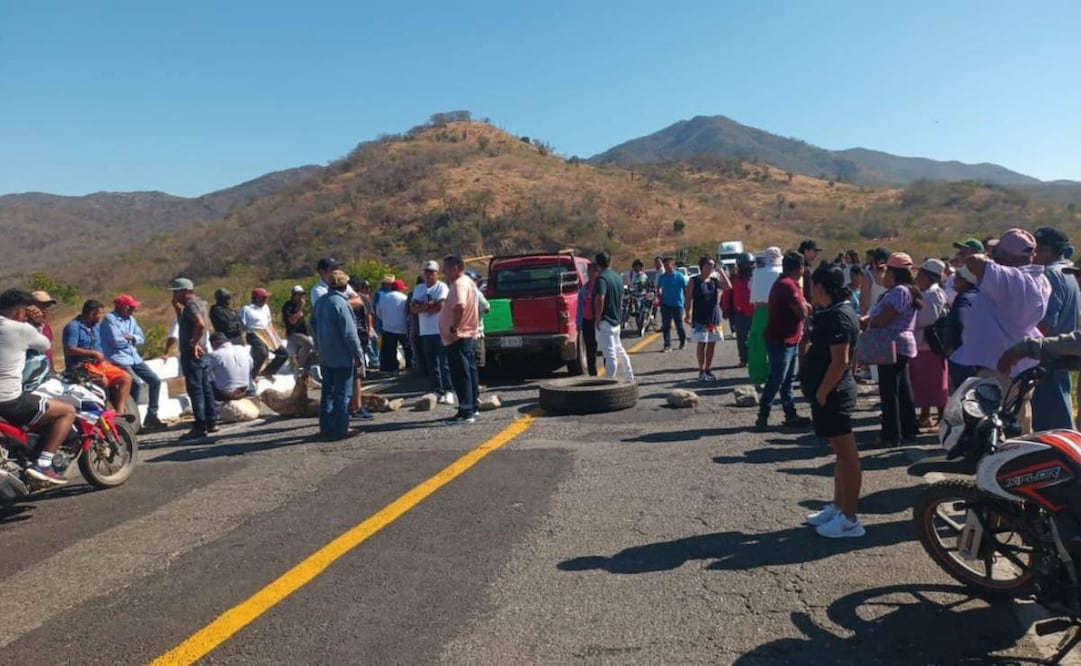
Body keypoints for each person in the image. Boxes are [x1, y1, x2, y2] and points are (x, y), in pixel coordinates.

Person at [954, 229, 1051, 434]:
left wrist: (989, 257)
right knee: (1020, 417)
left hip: (1002, 368)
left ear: (1006, 257)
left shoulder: (1011, 278)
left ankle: (1007, 464)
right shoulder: (1038, 280)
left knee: (1000, 427)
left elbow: (974, 262)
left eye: (997, 251)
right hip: (1017, 363)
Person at [802, 264, 864, 538]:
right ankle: (838, 506)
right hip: (826, 393)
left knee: (848, 457)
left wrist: (822, 392)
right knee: (839, 455)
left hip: (834, 394)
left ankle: (850, 519)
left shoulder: (840, 315)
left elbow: (841, 361)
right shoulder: (827, 312)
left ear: (819, 287)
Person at [0, 289, 76, 485]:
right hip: (9, 400)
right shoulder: (21, 329)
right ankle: (43, 464)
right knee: (67, 411)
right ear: (19, 312)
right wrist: (36, 324)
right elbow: (44, 345)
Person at [863, 253, 921, 446]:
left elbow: (885, 317)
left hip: (891, 345)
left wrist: (867, 322)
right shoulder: (907, 290)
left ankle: (890, 434)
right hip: (899, 344)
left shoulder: (899, 292)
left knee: (890, 391)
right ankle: (908, 428)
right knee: (902, 389)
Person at [1030, 227, 1080, 430]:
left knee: (1052, 424)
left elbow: (1046, 323)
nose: (1033, 255)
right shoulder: (1067, 272)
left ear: (1048, 251)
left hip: (1048, 356)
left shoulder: (1050, 274)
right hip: (1062, 354)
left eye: (1037, 249)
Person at [756, 252, 812, 431]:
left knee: (787, 379)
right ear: (799, 268)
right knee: (777, 378)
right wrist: (805, 306)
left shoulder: (789, 284)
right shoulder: (788, 286)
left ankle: (790, 413)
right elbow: (802, 311)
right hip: (781, 339)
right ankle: (763, 415)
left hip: (789, 338)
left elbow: (804, 308)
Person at [311, 269, 365, 439]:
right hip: (341, 356)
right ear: (344, 285)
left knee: (328, 393)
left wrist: (319, 346)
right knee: (343, 393)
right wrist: (358, 355)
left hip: (326, 355)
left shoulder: (320, 302)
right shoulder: (341, 304)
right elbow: (350, 334)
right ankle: (341, 428)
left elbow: (312, 326)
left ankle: (326, 426)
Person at [100, 294, 167, 430]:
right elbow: (116, 341)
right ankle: (132, 419)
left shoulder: (131, 319)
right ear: (121, 307)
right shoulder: (110, 320)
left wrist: (132, 338)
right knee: (134, 383)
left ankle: (152, 415)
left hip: (134, 357)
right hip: (118, 358)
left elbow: (141, 338)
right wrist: (131, 339)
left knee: (155, 381)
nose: (132, 309)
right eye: (129, 307)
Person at [62, 299, 134, 413]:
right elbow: (69, 349)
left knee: (126, 378)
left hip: (98, 364)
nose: (101, 317)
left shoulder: (95, 327)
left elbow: (100, 346)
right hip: (81, 366)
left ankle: (120, 412)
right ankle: (103, 412)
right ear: (91, 314)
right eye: (99, 314)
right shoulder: (73, 327)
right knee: (103, 382)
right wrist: (92, 353)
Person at [170, 278, 217, 442]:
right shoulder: (199, 303)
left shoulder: (190, 305)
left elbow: (200, 324)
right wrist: (177, 310)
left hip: (193, 353)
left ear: (183, 292)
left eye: (175, 292)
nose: (174, 295)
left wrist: (193, 343)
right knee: (206, 387)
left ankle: (200, 426)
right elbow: (189, 324)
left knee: (195, 389)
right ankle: (211, 422)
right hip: (202, 351)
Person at [440, 255, 481, 425]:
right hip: (466, 335)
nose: (444, 272)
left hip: (459, 336)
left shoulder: (459, 284)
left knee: (461, 374)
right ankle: (472, 405)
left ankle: (466, 411)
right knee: (469, 372)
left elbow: (460, 306)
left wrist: (454, 328)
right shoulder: (468, 282)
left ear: (456, 268)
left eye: (446, 268)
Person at [911, 259, 949, 430]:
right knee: (925, 383)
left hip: (929, 345)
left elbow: (927, 319)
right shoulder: (927, 292)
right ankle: (925, 415)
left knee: (936, 384)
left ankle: (943, 417)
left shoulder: (933, 294)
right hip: (922, 345)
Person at [412, 261, 454, 405]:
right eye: (427, 272)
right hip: (425, 331)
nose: (429, 275)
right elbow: (413, 308)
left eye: (432, 272)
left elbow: (441, 306)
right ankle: (436, 390)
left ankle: (448, 390)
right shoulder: (419, 288)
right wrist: (429, 306)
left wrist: (424, 307)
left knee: (444, 362)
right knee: (431, 363)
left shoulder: (441, 287)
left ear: (437, 273)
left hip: (439, 329)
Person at [685, 256, 730, 381]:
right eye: (708, 265)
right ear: (702, 266)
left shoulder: (714, 281)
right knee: (702, 343)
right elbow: (688, 299)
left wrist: (721, 272)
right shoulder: (694, 281)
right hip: (700, 317)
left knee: (712, 343)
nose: (710, 267)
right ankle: (701, 369)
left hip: (713, 317)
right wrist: (687, 314)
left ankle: (708, 368)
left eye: (712, 265)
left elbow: (728, 287)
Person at [593, 252, 635, 382]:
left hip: (606, 320)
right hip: (616, 319)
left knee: (609, 354)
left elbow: (601, 298)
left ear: (597, 265)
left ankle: (610, 381)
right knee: (619, 350)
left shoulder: (602, 279)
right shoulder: (617, 277)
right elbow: (621, 297)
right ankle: (629, 375)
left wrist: (598, 318)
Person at [748, 247, 783, 386]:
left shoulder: (757, 272)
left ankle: (758, 377)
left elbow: (752, 292)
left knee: (757, 346)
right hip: (778, 312)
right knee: (778, 346)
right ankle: (777, 376)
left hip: (760, 311)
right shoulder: (781, 273)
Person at [240, 288, 288, 381]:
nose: (266, 300)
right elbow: (242, 324)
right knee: (262, 353)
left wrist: (274, 336)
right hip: (254, 333)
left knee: (283, 354)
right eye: (264, 298)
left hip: (267, 332)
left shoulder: (265, 307)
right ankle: (252, 376)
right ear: (257, 298)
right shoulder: (247, 309)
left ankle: (268, 371)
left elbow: (269, 321)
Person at [944, 265, 979, 390]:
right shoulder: (979, 295)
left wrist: (955, 345)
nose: (954, 280)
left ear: (966, 281)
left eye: (958, 278)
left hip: (961, 354)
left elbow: (960, 321)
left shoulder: (963, 299)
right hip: (977, 352)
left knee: (964, 393)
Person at [346, 278, 375, 421]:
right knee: (356, 373)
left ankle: (355, 404)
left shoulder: (361, 299)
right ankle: (355, 406)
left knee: (357, 372)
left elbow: (368, 315)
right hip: (357, 336)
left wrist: (369, 331)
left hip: (360, 336)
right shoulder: (350, 299)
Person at [725, 253, 755, 368]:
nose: (750, 267)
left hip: (755, 311)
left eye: (751, 264)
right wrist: (726, 308)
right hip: (740, 313)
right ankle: (744, 359)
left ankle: (756, 358)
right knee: (741, 339)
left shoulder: (757, 277)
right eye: (747, 265)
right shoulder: (734, 278)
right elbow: (728, 293)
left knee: (756, 337)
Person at [206, 332, 253, 402]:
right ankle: (252, 393)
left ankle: (211, 408)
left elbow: (205, 371)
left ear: (214, 344)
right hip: (244, 391)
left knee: (204, 381)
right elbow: (251, 366)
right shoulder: (242, 349)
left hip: (227, 394)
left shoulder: (214, 355)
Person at [656, 256, 689, 352]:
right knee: (666, 325)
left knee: (679, 325)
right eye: (665, 265)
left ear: (672, 265)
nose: (666, 267)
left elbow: (685, 288)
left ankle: (683, 341)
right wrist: (660, 294)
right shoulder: (662, 277)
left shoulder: (679, 276)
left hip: (677, 304)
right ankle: (667, 345)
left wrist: (686, 302)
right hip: (665, 304)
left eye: (668, 265)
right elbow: (658, 287)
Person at [377, 279, 410, 373]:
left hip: (387, 327)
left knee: (389, 351)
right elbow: (407, 312)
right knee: (407, 348)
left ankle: (390, 368)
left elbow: (378, 312)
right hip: (402, 327)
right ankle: (409, 366)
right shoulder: (404, 298)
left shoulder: (383, 297)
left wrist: (385, 320)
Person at [282, 286, 314, 377]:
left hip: (303, 333)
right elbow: (292, 321)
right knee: (308, 343)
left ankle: (307, 375)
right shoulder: (288, 306)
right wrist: (300, 308)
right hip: (293, 334)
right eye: (298, 295)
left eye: (302, 295)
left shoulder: (301, 305)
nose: (301, 297)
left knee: (308, 355)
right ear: (293, 295)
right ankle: (298, 364)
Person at [576, 263, 600, 376]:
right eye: (589, 272)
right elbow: (580, 306)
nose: (591, 274)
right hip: (587, 321)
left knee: (603, 348)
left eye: (593, 271)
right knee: (590, 348)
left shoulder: (600, 286)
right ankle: (593, 374)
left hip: (598, 321)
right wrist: (579, 322)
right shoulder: (584, 288)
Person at [26, 291, 57, 370]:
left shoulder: (45, 325)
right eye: (42, 306)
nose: (46, 309)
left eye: (48, 306)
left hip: (47, 371)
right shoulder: (23, 326)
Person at [466, 270, 490, 370]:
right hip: (476, 332)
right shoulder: (476, 292)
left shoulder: (456, 291)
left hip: (462, 333)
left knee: (467, 361)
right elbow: (486, 308)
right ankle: (476, 384)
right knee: (476, 362)